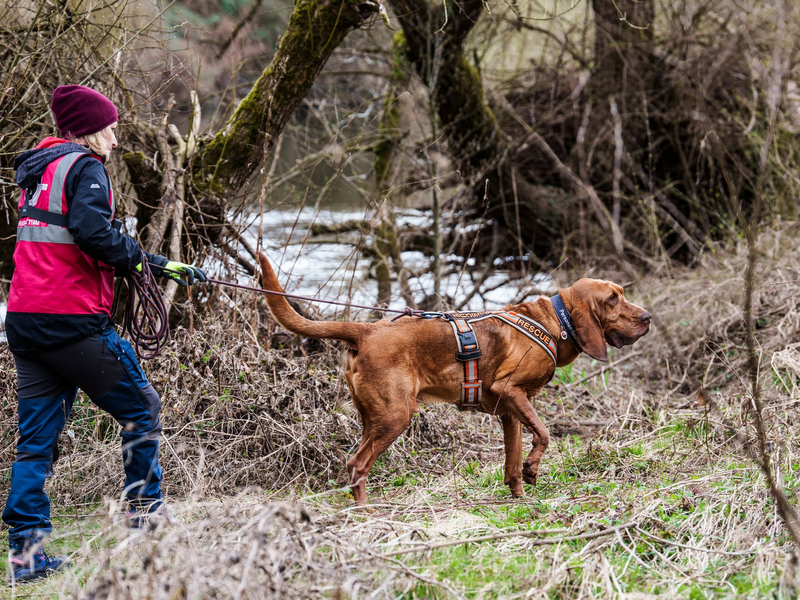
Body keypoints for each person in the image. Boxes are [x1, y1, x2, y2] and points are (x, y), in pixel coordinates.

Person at [3, 84, 206, 584]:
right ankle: (147, 520)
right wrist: (147, 261)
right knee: (142, 409)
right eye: (111, 129)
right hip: (71, 324)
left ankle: (26, 558)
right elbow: (93, 234)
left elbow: (69, 236)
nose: (115, 140)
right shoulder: (86, 167)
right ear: (91, 130)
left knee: (35, 443)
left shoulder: (40, 169)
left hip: (25, 322)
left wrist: (155, 264)